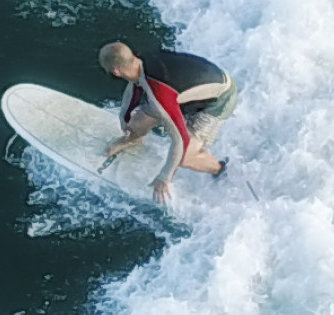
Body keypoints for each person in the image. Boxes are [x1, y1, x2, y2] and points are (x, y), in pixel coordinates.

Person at [98, 41, 234, 203]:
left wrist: (165, 176)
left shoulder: (160, 95)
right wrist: (124, 116)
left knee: (184, 157)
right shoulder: (138, 63)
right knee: (136, 123)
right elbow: (135, 83)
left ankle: (220, 170)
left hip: (219, 100)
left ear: (116, 72)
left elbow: (180, 138)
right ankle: (132, 140)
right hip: (190, 88)